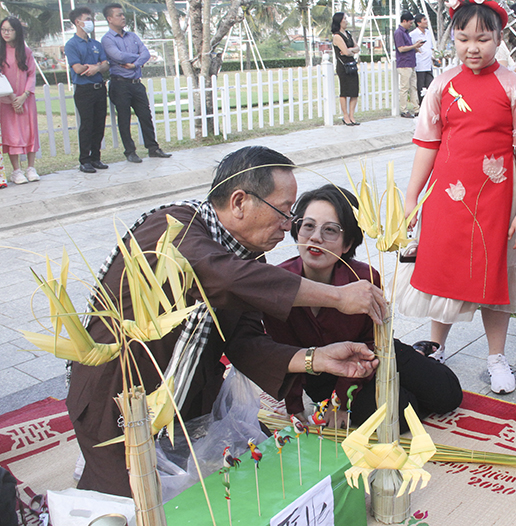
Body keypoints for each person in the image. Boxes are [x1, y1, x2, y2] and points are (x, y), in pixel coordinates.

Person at [66, 146, 387, 497]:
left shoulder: (246, 259)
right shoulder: (174, 227)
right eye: (283, 212)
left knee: (265, 468)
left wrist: (316, 358)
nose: (288, 225)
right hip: (118, 399)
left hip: (188, 401)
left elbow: (246, 342)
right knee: (132, 505)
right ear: (239, 202)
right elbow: (222, 276)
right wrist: (339, 297)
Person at [402, 0, 516, 395]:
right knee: (442, 272)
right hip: (446, 199)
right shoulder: (443, 84)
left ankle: (496, 357)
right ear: (453, 39)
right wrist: (412, 199)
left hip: (498, 202)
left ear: (499, 38)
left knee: (495, 275)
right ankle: (436, 347)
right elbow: (427, 143)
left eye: (482, 38)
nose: (472, 48)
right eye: (463, 39)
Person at [263, 184, 462, 432]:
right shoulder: (278, 283)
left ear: (348, 244)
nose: (316, 238)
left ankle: (417, 354)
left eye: (330, 230)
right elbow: (284, 354)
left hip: (376, 353)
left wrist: (345, 399)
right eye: (308, 226)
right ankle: (413, 368)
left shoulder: (364, 279)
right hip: (324, 375)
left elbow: (372, 343)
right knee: (401, 414)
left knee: (448, 394)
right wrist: (300, 408)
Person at [101, 3, 172, 163]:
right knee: (124, 118)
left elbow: (146, 53)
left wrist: (135, 63)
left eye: (123, 14)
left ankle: (153, 148)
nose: (123, 17)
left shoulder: (132, 36)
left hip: (136, 83)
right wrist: (137, 57)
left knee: (145, 116)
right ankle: (130, 151)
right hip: (120, 84)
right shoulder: (107, 39)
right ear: (109, 19)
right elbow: (118, 56)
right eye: (118, 15)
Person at [65, 7, 110, 174]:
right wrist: (93, 67)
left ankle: (96, 157)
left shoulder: (96, 44)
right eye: (87, 19)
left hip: (99, 88)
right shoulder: (72, 44)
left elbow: (105, 65)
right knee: (87, 124)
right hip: (84, 89)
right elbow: (77, 68)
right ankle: (85, 159)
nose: (90, 22)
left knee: (99, 123)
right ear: (78, 22)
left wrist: (96, 68)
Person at [0, 17, 40, 185]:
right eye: (3, 30)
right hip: (6, 101)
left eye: (10, 30)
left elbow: (31, 74)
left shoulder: (26, 51)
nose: (6, 33)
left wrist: (24, 95)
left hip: (26, 99)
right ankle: (16, 171)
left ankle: (31, 167)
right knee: (11, 134)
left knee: (29, 131)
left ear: (17, 31)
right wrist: (11, 99)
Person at [331, 12, 360, 126]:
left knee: (354, 91)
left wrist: (351, 50)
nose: (346, 21)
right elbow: (346, 52)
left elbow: (356, 48)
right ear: (339, 21)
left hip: (352, 64)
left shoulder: (348, 34)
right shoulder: (337, 36)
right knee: (345, 91)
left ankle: (352, 115)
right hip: (343, 66)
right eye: (344, 19)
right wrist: (351, 51)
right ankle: (345, 115)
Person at [394, 12, 424, 118]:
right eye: (410, 23)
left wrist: (415, 48)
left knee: (413, 87)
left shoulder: (406, 32)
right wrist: (414, 46)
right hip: (404, 64)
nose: (411, 25)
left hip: (411, 62)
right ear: (404, 21)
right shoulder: (399, 33)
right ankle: (404, 109)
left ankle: (417, 108)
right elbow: (401, 48)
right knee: (404, 87)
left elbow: (407, 47)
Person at [409, 14, 436, 102]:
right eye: (424, 19)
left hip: (428, 64)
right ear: (418, 23)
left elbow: (430, 47)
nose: (426, 21)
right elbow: (411, 47)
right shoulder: (413, 34)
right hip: (419, 64)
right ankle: (421, 105)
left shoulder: (428, 32)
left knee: (430, 85)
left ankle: (430, 104)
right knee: (421, 86)